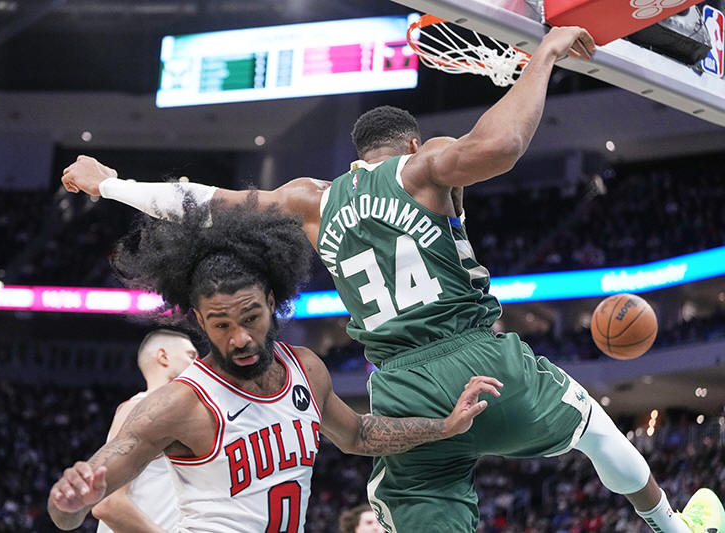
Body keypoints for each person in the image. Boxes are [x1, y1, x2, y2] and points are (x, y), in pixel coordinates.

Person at [61, 26, 724, 533]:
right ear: (410, 144)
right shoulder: (422, 165)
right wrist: (544, 55)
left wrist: (111, 183)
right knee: (598, 433)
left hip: (400, 386)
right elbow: (500, 146)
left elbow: (209, 204)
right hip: (479, 358)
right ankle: (674, 527)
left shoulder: (312, 198)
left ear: (357, 157)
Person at [47, 200, 502, 532]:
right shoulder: (179, 404)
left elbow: (359, 434)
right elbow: (78, 508)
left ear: (272, 302)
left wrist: (444, 427)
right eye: (221, 324)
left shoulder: (306, 368)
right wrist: (67, 501)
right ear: (200, 321)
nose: (240, 337)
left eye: (250, 318)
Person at [93, 329, 198, 533]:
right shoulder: (139, 409)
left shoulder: (181, 416)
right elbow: (108, 502)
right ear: (163, 356)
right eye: (191, 356)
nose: (198, 365)